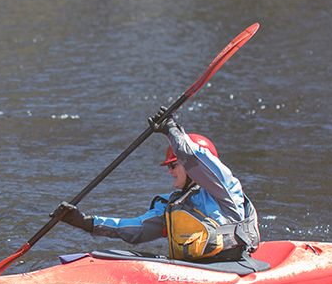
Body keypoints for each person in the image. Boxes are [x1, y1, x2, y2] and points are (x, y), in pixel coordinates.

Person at [54, 108, 261, 263]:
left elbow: (195, 158)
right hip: (191, 271)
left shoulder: (225, 190)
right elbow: (134, 229)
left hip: (231, 268)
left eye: (173, 165)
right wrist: (85, 222)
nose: (169, 171)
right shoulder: (174, 205)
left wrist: (172, 130)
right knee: (111, 256)